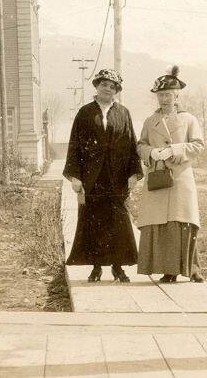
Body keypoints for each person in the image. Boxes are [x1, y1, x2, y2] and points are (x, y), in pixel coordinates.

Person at [62, 69, 143, 283]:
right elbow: (75, 146)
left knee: (118, 222)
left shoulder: (123, 113)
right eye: (104, 84)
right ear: (96, 86)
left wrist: (134, 173)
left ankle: (118, 267)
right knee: (93, 221)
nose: (108, 88)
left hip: (117, 177)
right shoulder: (85, 113)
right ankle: (96, 267)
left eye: (112, 85)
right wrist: (75, 176)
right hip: (92, 176)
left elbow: (131, 142)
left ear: (117, 90)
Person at [136, 65, 206, 283]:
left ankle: (192, 269)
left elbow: (198, 145)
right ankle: (168, 269)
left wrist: (174, 150)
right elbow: (140, 145)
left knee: (182, 221)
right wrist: (151, 152)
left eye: (168, 95)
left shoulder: (189, 120)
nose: (164, 99)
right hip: (158, 176)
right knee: (159, 222)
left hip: (180, 177)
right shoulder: (150, 121)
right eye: (160, 95)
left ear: (177, 96)